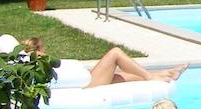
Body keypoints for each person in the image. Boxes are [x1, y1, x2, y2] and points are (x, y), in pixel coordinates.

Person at [24, 37, 188, 89]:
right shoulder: (37, 57)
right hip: (84, 84)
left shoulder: (29, 60)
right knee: (115, 53)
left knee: (119, 76)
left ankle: (164, 73)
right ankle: (151, 76)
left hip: (83, 80)